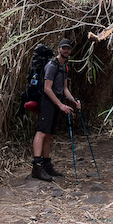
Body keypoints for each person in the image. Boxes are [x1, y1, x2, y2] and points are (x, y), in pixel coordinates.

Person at [31, 38, 81, 181]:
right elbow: (47, 89)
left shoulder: (64, 66)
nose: (66, 50)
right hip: (48, 102)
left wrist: (73, 101)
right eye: (63, 48)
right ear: (59, 49)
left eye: (68, 48)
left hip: (56, 102)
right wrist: (60, 105)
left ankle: (47, 165)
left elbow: (64, 88)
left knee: (48, 134)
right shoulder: (52, 65)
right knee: (41, 132)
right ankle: (36, 167)